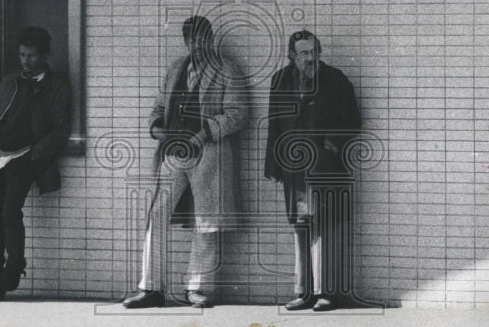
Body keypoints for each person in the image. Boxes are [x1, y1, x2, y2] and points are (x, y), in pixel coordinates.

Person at [123, 16, 246, 309]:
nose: (198, 45)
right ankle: (150, 288)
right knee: (157, 215)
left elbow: (239, 113)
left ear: (211, 39)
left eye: (203, 39)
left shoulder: (227, 69)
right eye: (192, 39)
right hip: (174, 153)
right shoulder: (177, 68)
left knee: (206, 221)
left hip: (209, 154)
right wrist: (156, 128)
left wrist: (204, 133)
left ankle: (198, 288)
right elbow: (159, 106)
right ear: (186, 41)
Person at [0, 27, 72, 302]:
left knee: (9, 213)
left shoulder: (57, 87)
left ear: (44, 55)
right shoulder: (10, 82)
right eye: (22, 55)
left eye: (31, 56)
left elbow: (60, 130)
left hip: (25, 157)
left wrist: (35, 155)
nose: (25, 61)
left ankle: (13, 272)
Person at [265, 30, 361, 312]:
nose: (309, 58)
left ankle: (326, 292)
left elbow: (353, 121)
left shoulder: (335, 79)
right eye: (303, 53)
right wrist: (273, 164)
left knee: (325, 227)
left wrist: (332, 144)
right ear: (292, 56)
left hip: (325, 166)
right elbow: (274, 123)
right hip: (293, 167)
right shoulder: (280, 80)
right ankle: (303, 292)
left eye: (313, 52)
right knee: (300, 227)